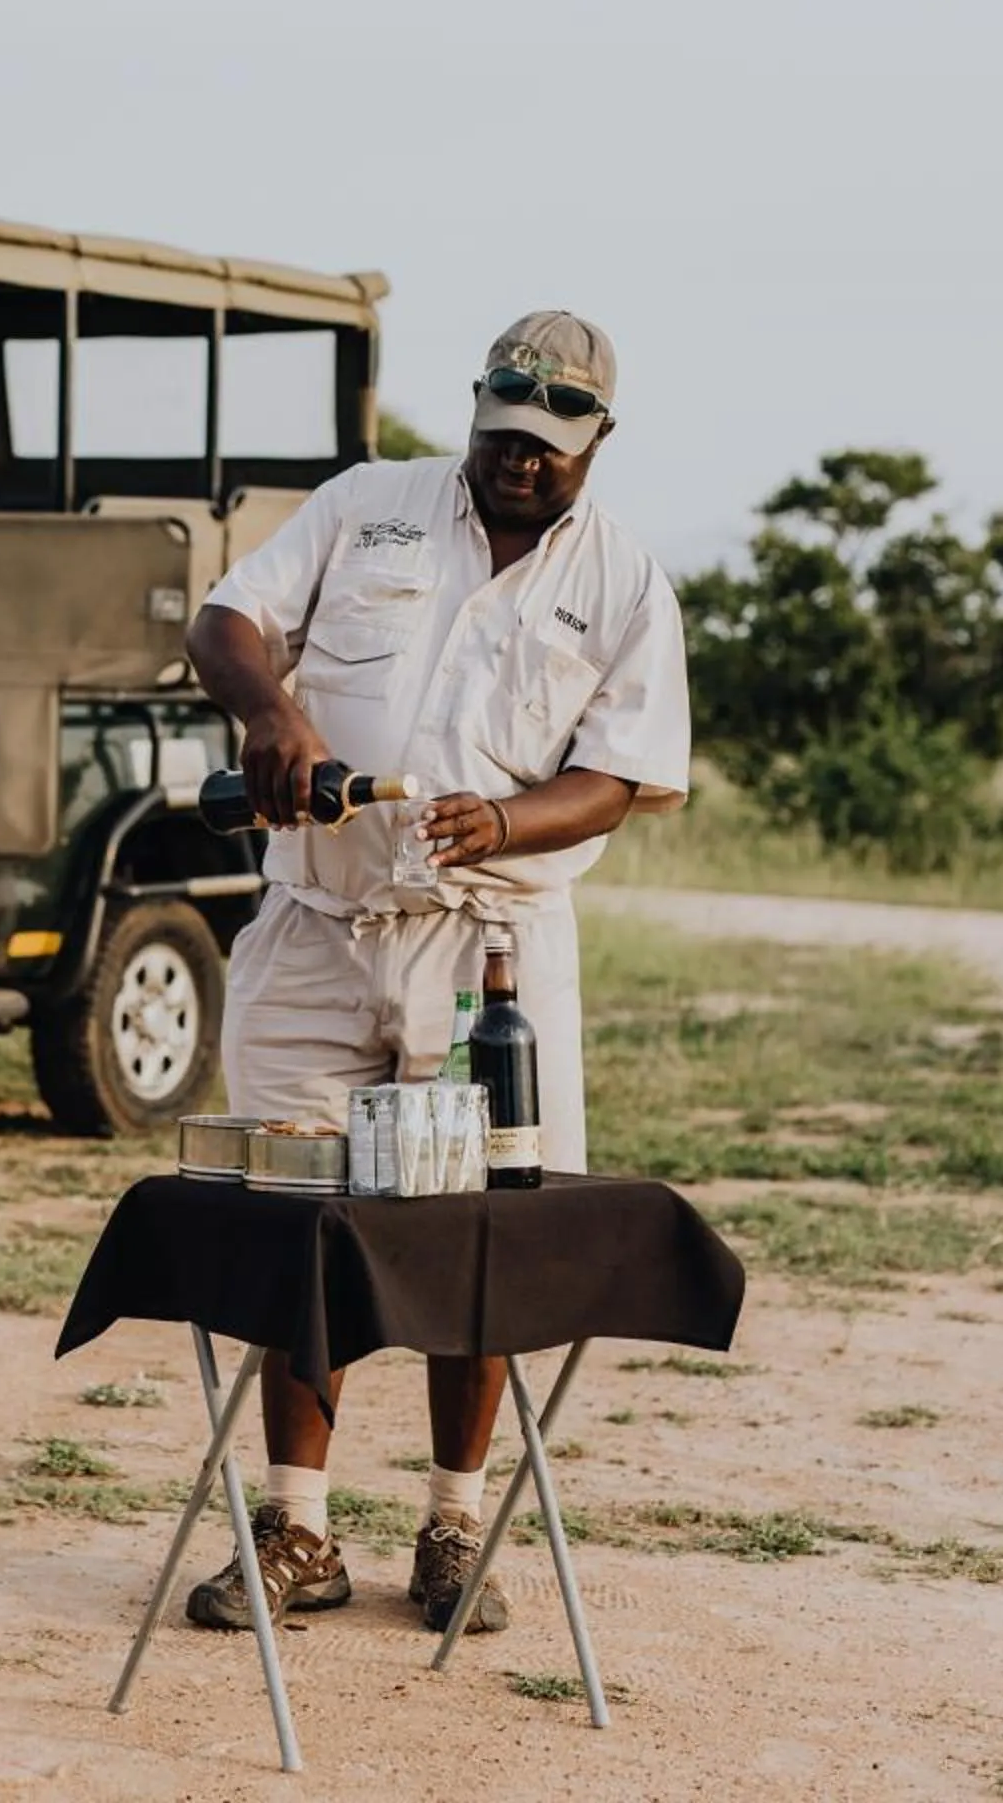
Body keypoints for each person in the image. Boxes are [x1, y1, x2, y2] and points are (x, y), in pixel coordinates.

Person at [178, 309, 692, 1635]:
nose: (521, 460)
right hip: (318, 930)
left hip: (491, 952)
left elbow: (625, 778)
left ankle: (457, 1525)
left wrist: (506, 818)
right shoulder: (369, 505)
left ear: (599, 443)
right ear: (475, 413)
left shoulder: (623, 579)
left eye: (551, 444)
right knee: (297, 1222)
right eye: (502, 432)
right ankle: (297, 1526)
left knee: (480, 1240)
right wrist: (271, 710)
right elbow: (228, 619)